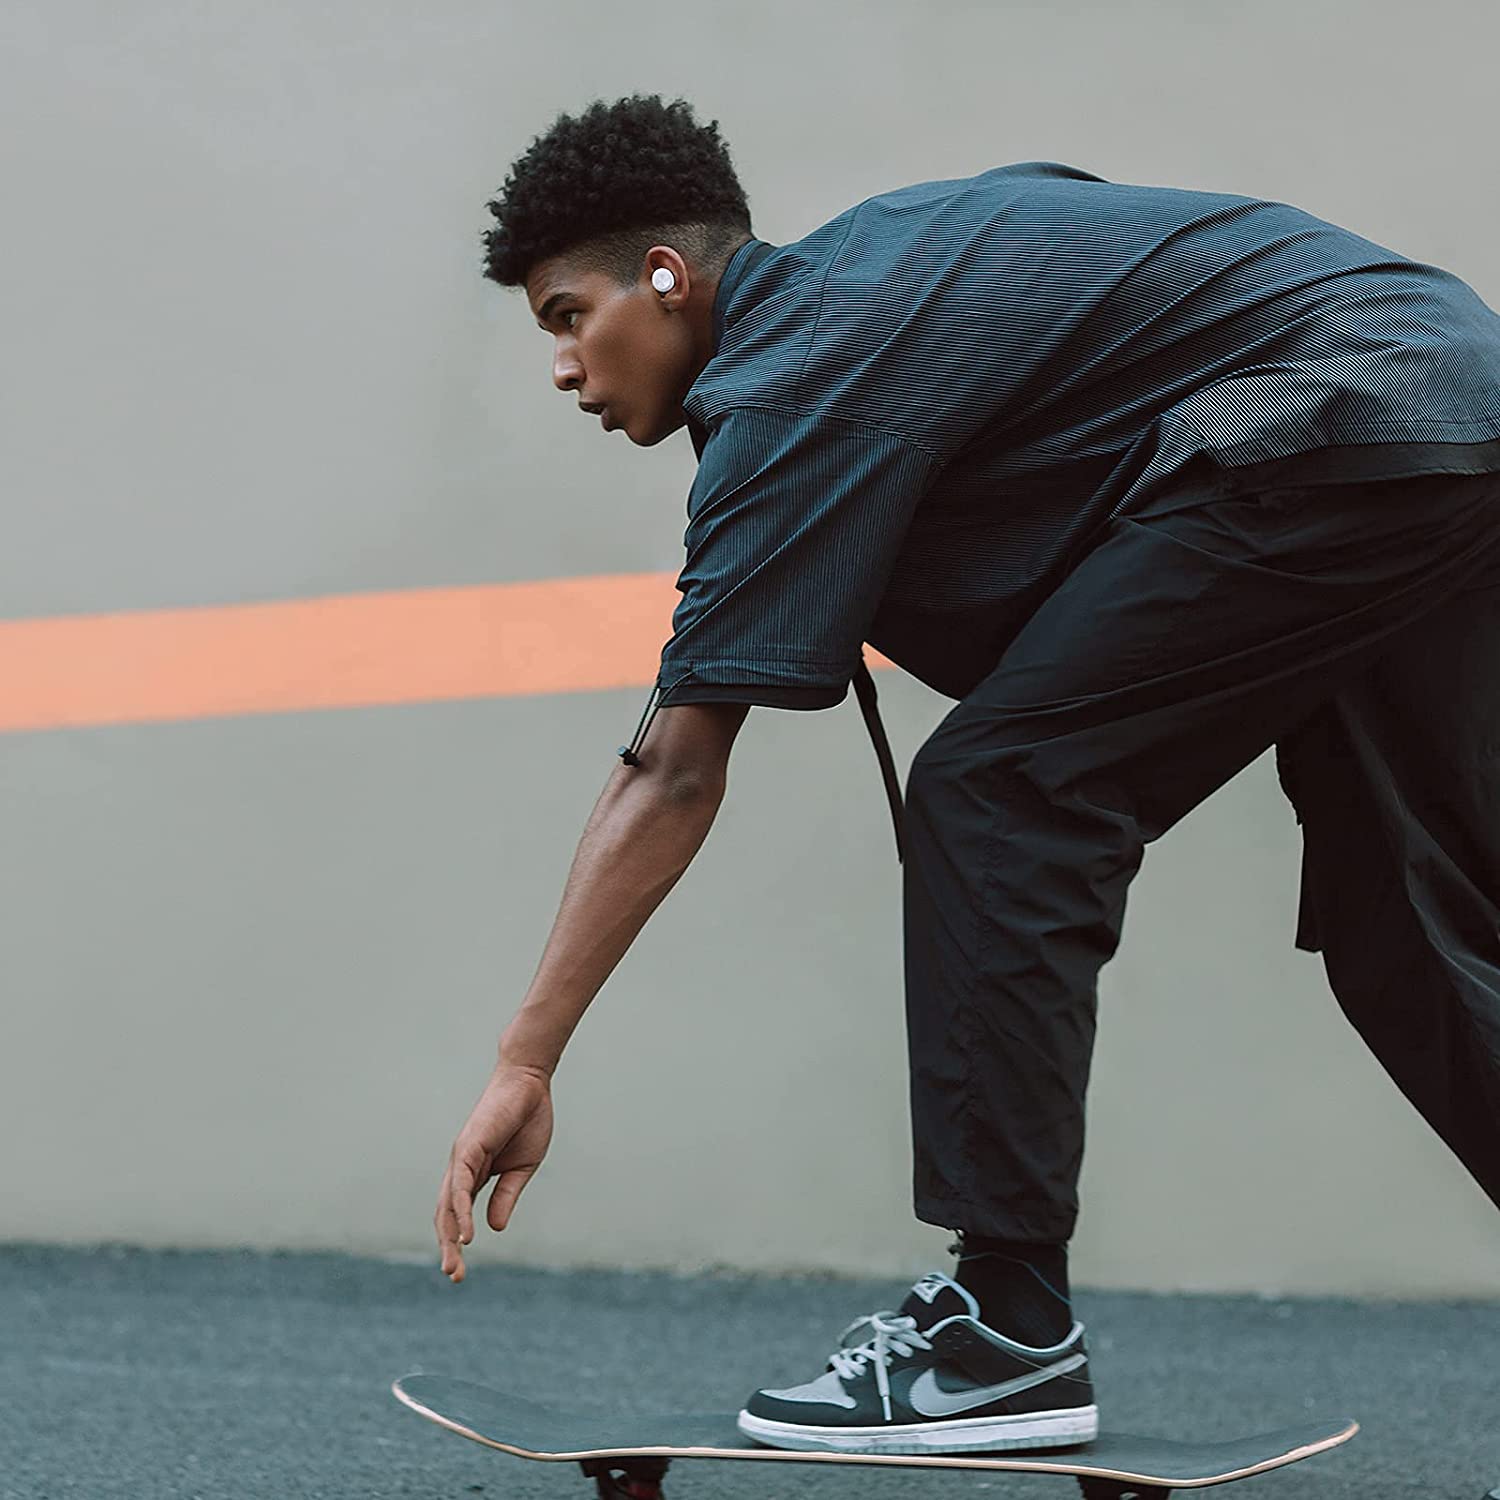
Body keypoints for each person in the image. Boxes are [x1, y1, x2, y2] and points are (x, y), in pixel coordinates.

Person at [432, 91, 1500, 1455]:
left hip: (1334, 411)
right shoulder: (883, 271)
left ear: (667, 275)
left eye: (569, 317)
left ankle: (1004, 1334)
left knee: (1001, 792)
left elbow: (675, 772)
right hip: (1446, 395)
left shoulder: (798, 372)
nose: (563, 367)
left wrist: (524, 1060)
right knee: (1410, 916)